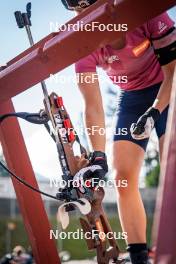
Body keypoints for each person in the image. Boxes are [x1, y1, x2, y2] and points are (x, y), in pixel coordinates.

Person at [61, 0, 176, 263]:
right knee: (122, 177)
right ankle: (138, 256)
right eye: (78, 12)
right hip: (132, 98)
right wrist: (98, 155)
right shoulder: (82, 42)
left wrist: (156, 111)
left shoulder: (145, 12)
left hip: (168, 85)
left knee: (171, 170)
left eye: (89, 7)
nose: (86, 17)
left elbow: (173, 72)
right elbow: (93, 106)